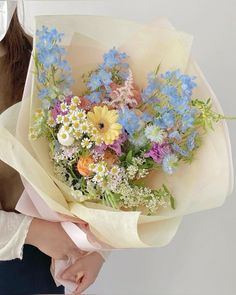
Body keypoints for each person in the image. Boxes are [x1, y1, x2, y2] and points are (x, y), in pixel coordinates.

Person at [0, 6, 105, 295]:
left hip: (42, 264)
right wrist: (34, 231)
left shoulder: (48, 62)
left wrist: (97, 248)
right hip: (35, 242)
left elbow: (102, 161)